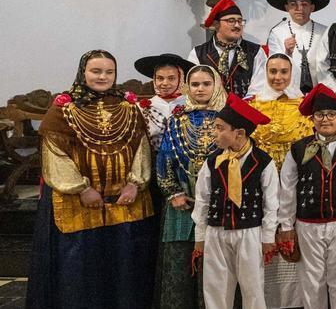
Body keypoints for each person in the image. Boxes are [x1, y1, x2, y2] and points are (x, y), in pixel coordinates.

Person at [27, 50, 157, 308]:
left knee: (123, 266)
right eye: (96, 71)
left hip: (123, 202)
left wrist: (135, 183)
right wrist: (81, 189)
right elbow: (55, 155)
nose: (102, 77)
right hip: (78, 204)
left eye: (109, 72)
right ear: (83, 72)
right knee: (80, 268)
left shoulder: (128, 107)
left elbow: (141, 147)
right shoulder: (62, 111)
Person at [278, 83, 336, 309]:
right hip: (307, 225)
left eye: (331, 114)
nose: (325, 119)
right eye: (320, 115)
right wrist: (287, 227)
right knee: (312, 282)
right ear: (312, 119)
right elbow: (287, 189)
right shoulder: (298, 149)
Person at [192, 94, 277, 309]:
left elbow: (271, 203)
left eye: (220, 128)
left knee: (253, 288)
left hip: (249, 232)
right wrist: (200, 237)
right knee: (216, 288)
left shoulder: (263, 163)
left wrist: (268, 238)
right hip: (216, 231)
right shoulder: (212, 163)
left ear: (239, 133)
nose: (215, 133)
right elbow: (202, 200)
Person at [154, 64, 228, 309]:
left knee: (217, 268)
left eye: (206, 84)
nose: (200, 89)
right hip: (181, 204)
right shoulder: (177, 120)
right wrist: (172, 192)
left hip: (220, 205)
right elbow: (164, 159)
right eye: (194, 84)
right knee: (180, 266)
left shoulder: (228, 120)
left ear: (216, 85)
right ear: (187, 87)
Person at [247, 53, 311, 309]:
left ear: (292, 73)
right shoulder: (253, 105)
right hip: (260, 186)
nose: (278, 77)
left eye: (284, 71)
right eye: (273, 71)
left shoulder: (303, 106)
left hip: (295, 186)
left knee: (293, 250)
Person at [189, 0, 264, 98]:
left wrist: (239, 108)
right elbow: (194, 87)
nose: (237, 25)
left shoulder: (255, 51)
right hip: (210, 111)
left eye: (240, 21)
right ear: (216, 24)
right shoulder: (198, 53)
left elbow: (259, 88)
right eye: (231, 21)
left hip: (245, 110)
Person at [264, 0, 330, 94]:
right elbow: (273, 66)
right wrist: (287, 53)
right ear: (287, 7)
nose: (299, 8)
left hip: (320, 90)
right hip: (288, 91)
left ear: (312, 7)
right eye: (293, 4)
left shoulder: (324, 32)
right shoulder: (277, 32)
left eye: (304, 4)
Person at [133, 52, 193, 150]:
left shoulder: (191, 105)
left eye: (171, 78)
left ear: (181, 79)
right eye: (160, 78)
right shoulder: (142, 107)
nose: (165, 83)